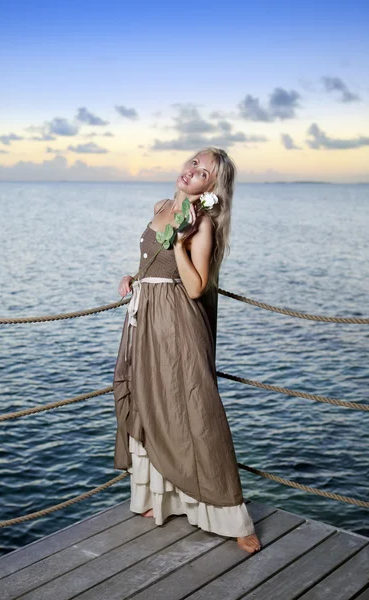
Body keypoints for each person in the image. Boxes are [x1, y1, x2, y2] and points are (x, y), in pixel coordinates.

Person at [113, 147, 261, 554]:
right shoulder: (161, 205)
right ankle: (161, 498)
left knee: (195, 410)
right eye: (193, 162)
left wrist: (180, 242)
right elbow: (151, 262)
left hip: (177, 323)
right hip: (146, 319)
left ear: (211, 186)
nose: (192, 170)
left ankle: (231, 516)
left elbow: (195, 287)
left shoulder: (203, 223)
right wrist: (133, 275)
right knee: (151, 403)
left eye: (204, 171)